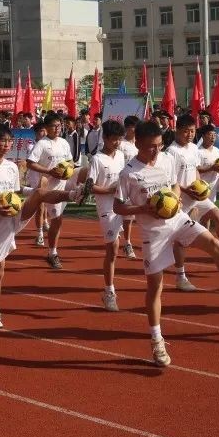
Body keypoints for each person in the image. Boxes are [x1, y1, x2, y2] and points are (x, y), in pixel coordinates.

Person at [114, 120, 219, 367]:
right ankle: (156, 340)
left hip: (178, 219)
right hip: (154, 233)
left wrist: (174, 198)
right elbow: (118, 207)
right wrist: (143, 208)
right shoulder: (128, 173)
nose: (156, 150)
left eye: (159, 145)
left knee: (214, 244)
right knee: (155, 287)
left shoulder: (166, 159)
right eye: (151, 146)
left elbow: (174, 184)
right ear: (138, 143)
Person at [0, 123, 87, 328]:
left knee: (40, 193)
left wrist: (32, 192)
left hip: (15, 214)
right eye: (3, 141)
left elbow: (16, 191)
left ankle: (74, 194)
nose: (7, 145)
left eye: (9, 141)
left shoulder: (12, 167)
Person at [166, 114, 219, 278]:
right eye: (186, 131)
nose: (190, 135)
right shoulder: (171, 152)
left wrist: (200, 186)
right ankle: (180, 276)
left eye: (192, 131)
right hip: (181, 199)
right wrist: (186, 190)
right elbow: (169, 181)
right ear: (177, 130)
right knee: (181, 240)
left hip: (197, 196)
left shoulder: (193, 148)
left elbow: (195, 169)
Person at [26, 111, 77, 269]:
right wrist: (49, 171)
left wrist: (68, 168)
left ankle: (80, 191)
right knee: (57, 220)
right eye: (54, 126)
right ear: (47, 128)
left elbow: (70, 161)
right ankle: (52, 252)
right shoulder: (41, 144)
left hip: (64, 182)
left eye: (59, 126)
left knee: (83, 172)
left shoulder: (64, 142)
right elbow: (30, 163)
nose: (57, 128)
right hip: (49, 186)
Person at [86, 120, 127, 311]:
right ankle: (109, 291)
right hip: (106, 209)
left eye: (119, 139)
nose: (117, 143)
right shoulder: (97, 159)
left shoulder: (121, 156)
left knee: (117, 247)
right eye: (114, 139)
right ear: (105, 138)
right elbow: (90, 187)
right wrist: (110, 190)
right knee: (113, 248)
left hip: (122, 205)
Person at [118, 115, 141, 259]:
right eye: (134, 127)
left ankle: (127, 242)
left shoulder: (139, 144)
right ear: (127, 128)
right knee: (124, 214)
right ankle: (127, 243)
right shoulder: (121, 144)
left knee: (131, 215)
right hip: (122, 182)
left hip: (137, 182)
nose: (136, 129)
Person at [25, 122, 50, 247]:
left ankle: (45, 221)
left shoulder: (48, 144)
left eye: (45, 131)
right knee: (40, 205)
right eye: (41, 131)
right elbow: (32, 162)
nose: (44, 133)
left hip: (47, 177)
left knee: (45, 203)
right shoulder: (31, 145)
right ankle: (40, 234)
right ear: (35, 133)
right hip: (36, 177)